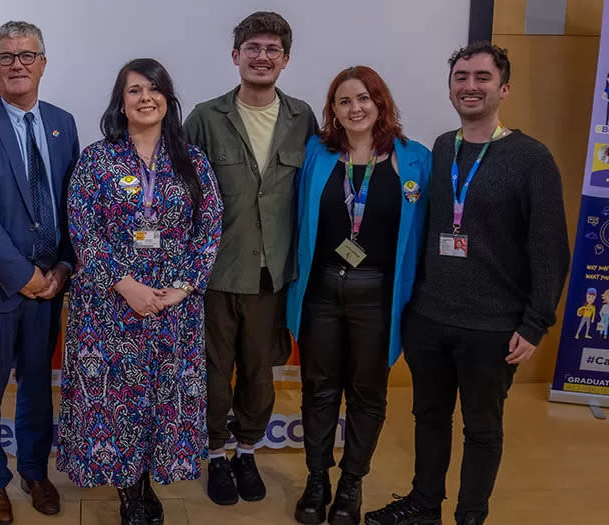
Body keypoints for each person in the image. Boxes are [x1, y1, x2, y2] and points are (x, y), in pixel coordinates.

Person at [364, 42, 570, 525]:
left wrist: (536, 322)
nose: (470, 86)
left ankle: (470, 515)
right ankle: (424, 504)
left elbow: (549, 249)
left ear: (504, 88)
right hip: (431, 318)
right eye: (461, 77)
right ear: (451, 87)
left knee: (482, 429)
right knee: (428, 417)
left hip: (493, 326)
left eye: (481, 77)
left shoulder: (530, 158)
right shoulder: (441, 148)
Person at [57, 58, 223, 525]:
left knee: (160, 395)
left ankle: (151, 479)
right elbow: (83, 231)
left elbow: (209, 229)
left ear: (168, 99)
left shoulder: (193, 160)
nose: (145, 97)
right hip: (110, 304)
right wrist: (126, 285)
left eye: (154, 88)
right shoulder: (96, 159)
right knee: (119, 398)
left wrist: (181, 288)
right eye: (134, 90)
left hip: (173, 307)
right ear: (121, 101)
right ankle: (130, 490)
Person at [285, 66, 431, 525]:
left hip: (377, 298)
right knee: (319, 390)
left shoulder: (414, 160)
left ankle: (351, 484)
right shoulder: (317, 154)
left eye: (364, 98)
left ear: (380, 102)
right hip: (321, 293)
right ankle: (317, 479)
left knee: (368, 394)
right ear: (333, 111)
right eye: (344, 101)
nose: (356, 108)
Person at [184, 10, 317, 505]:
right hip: (216, 272)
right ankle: (215, 454)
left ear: (285, 60)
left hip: (272, 273)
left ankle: (247, 449)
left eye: (272, 50)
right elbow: (180, 193)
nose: (262, 57)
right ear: (235, 55)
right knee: (213, 372)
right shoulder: (204, 117)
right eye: (253, 48)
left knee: (261, 373)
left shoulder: (302, 118)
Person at [0, 20, 80, 525]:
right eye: (7, 57)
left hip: (51, 285)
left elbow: (75, 203)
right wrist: (24, 274)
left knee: (36, 385)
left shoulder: (63, 123)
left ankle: (33, 469)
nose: (18, 64)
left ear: (43, 63)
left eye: (27, 55)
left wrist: (65, 265)